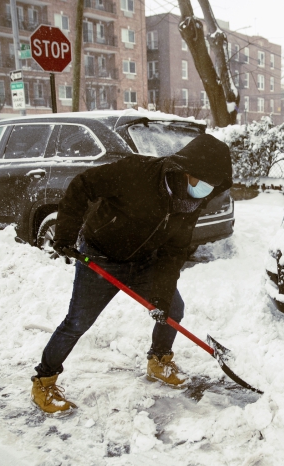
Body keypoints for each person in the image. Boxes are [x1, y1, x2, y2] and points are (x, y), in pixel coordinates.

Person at [31, 134, 232, 416]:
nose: (207, 192)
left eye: (214, 187)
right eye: (206, 183)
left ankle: (158, 360)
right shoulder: (136, 172)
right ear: (187, 171)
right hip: (101, 256)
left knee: (173, 309)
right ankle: (44, 380)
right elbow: (82, 186)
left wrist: (161, 297)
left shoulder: (188, 204)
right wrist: (65, 233)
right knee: (77, 322)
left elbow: (173, 252)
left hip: (143, 261)